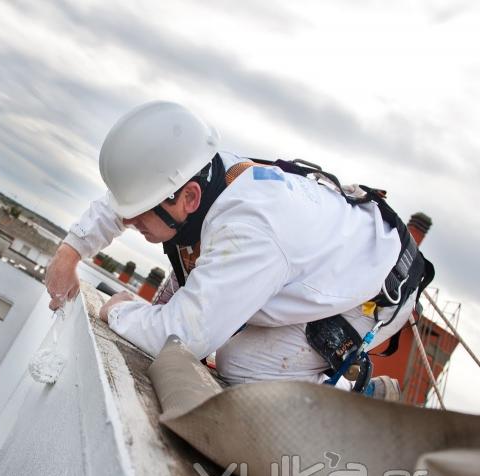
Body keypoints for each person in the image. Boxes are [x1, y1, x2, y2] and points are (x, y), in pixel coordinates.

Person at [46, 101, 432, 397]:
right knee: (198, 294)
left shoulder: (250, 230)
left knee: (240, 365)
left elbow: (182, 336)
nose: (128, 223)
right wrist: (70, 252)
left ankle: (360, 392)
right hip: (324, 259)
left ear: (189, 198)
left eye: (137, 216)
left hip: (374, 293)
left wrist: (118, 311)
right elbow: (126, 201)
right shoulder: (199, 171)